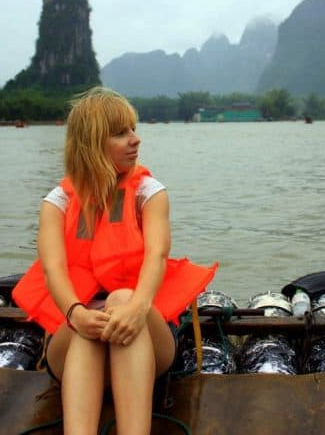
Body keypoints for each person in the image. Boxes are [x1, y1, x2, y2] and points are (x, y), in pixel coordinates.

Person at [12, 87, 217, 435]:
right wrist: (76, 313)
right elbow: (53, 270)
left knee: (121, 299)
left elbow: (157, 254)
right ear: (91, 143)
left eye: (133, 130)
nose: (135, 140)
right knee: (87, 322)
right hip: (76, 347)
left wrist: (138, 307)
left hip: (145, 341)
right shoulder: (56, 204)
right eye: (121, 133)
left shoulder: (148, 193)